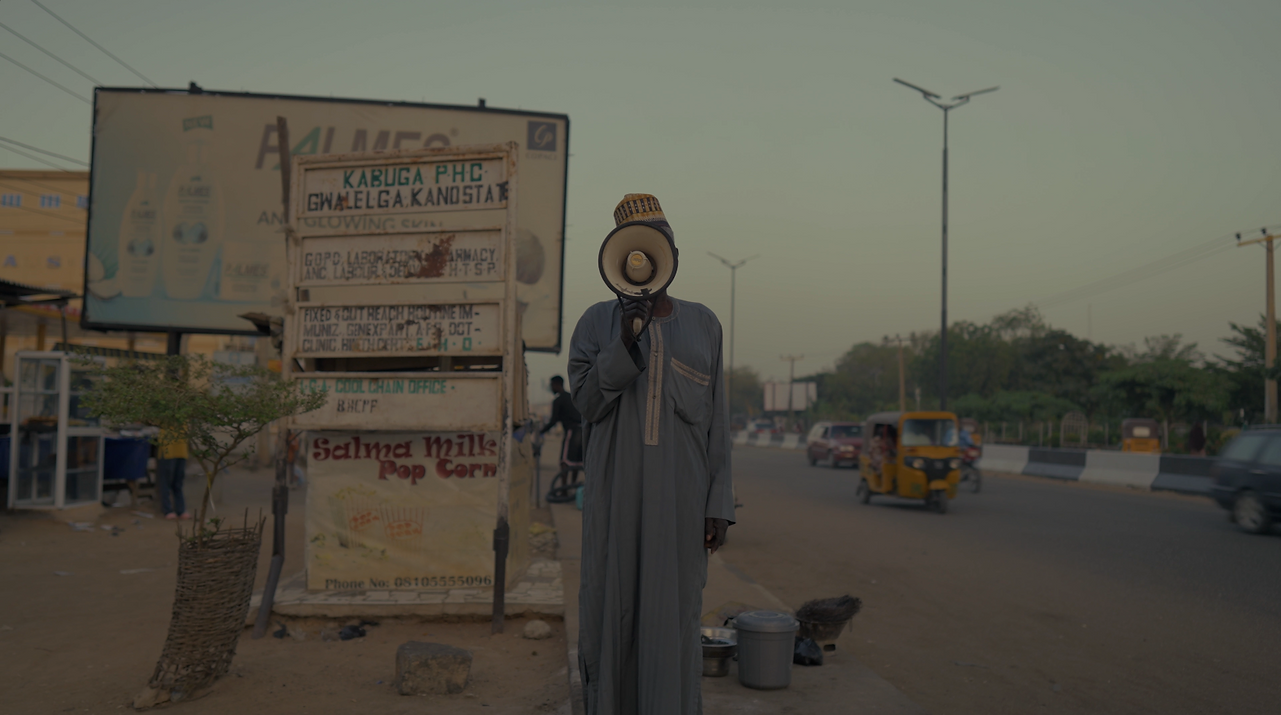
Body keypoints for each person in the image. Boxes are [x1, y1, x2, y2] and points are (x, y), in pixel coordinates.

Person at [569, 194, 734, 715]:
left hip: (682, 507)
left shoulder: (704, 324)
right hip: (615, 503)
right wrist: (626, 341)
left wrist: (719, 502)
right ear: (618, 259)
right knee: (609, 611)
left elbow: (718, 421)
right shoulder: (594, 324)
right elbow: (589, 405)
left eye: (659, 242)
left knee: (675, 616)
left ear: (674, 255)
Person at [541, 375, 584, 497]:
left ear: (556, 384)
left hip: (571, 432)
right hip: (582, 431)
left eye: (551, 385)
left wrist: (541, 431)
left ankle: (565, 490)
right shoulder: (572, 397)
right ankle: (573, 487)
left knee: (564, 461)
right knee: (576, 462)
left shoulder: (558, 400)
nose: (550, 388)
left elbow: (553, 421)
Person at [156, 428, 190, 520]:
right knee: (165, 480)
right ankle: (167, 509)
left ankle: (181, 509)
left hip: (182, 448)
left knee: (178, 482)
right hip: (167, 449)